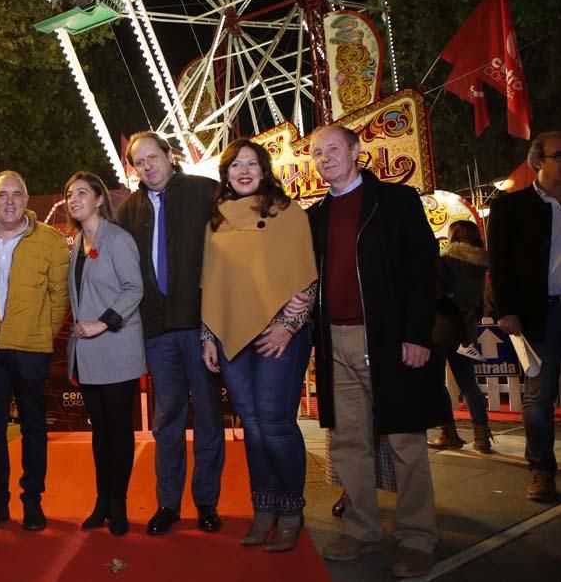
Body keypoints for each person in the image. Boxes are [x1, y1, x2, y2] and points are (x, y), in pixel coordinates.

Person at [307, 125, 445, 578]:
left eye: (332, 149)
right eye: (316, 153)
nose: (324, 158)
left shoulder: (396, 203)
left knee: (405, 440)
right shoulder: (317, 215)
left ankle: (417, 537)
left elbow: (423, 272)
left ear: (355, 150)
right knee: (348, 442)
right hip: (335, 341)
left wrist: (417, 335)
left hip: (388, 339)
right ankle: (363, 528)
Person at [199, 140, 317, 552]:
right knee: (251, 426)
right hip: (232, 336)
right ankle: (263, 509)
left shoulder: (287, 213)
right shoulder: (215, 221)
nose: (244, 171)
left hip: (277, 335)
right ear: (226, 173)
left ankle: (290, 512)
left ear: (264, 170)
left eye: (252, 164)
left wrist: (287, 326)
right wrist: (209, 335)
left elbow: (306, 277)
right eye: (236, 165)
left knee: (275, 423)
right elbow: (212, 284)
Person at [115, 131, 225, 536]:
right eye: (139, 162)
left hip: (201, 327)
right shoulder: (128, 210)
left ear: (168, 154)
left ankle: (208, 503)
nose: (148, 166)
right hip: (157, 331)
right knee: (167, 422)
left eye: (152, 157)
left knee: (210, 418)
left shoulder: (203, 191)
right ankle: (167, 503)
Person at [0, 171, 69, 533]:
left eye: (17, 194)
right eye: (2, 195)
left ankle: (32, 502)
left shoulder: (53, 241)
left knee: (33, 429)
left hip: (31, 349)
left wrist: (42, 333)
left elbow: (60, 297)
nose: (9, 201)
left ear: (26, 200)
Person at [64, 171, 145, 537]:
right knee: (100, 434)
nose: (73, 199)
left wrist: (103, 323)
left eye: (82, 192)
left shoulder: (118, 239)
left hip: (117, 347)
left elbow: (134, 288)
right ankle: (102, 501)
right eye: (69, 194)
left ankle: (119, 504)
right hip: (88, 354)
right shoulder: (78, 243)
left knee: (119, 432)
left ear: (99, 199)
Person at [488, 130, 561, 503]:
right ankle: (541, 470)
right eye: (559, 155)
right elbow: (499, 265)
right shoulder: (511, 207)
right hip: (539, 313)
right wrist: (507, 311)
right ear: (538, 162)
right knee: (539, 394)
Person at [428, 220, 493, 453]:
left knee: (436, 383)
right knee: (468, 383)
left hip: (441, 328)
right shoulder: (480, 265)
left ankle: (449, 433)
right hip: (466, 331)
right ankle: (482, 436)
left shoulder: (446, 261)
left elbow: (436, 294)